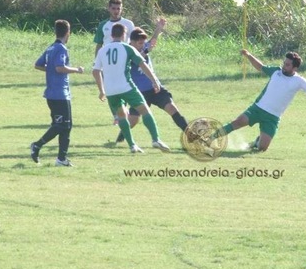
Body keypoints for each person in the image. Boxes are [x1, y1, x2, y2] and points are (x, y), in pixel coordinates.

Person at [213, 49, 306, 151]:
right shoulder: (276, 71)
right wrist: (248, 55)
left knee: (262, 148)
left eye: (288, 65)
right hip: (258, 109)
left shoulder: (299, 81)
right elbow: (260, 66)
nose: (284, 66)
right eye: (284, 63)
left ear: (295, 67)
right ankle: (210, 138)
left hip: (273, 117)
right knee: (237, 123)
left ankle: (256, 142)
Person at [92, 23, 170, 153]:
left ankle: (132, 146)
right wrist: (154, 80)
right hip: (126, 87)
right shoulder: (128, 48)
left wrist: (102, 90)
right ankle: (156, 139)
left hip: (111, 91)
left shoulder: (102, 50)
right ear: (124, 35)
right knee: (145, 111)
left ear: (111, 35)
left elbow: (95, 71)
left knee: (122, 116)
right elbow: (142, 64)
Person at [115, 18, 188, 144]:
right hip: (140, 93)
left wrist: (159, 28)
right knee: (133, 121)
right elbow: (139, 58)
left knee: (172, 108)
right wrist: (147, 50)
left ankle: (190, 134)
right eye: (139, 43)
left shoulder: (143, 48)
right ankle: (119, 140)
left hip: (155, 89)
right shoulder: (128, 53)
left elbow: (152, 41)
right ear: (131, 42)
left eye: (143, 43)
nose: (142, 45)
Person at [30, 20, 84, 167]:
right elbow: (60, 68)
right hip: (60, 94)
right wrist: (76, 70)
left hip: (52, 94)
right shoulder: (61, 48)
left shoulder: (50, 48)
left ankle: (61, 159)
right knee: (62, 125)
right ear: (68, 33)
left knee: (65, 126)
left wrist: (50, 69)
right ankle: (37, 145)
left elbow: (38, 65)